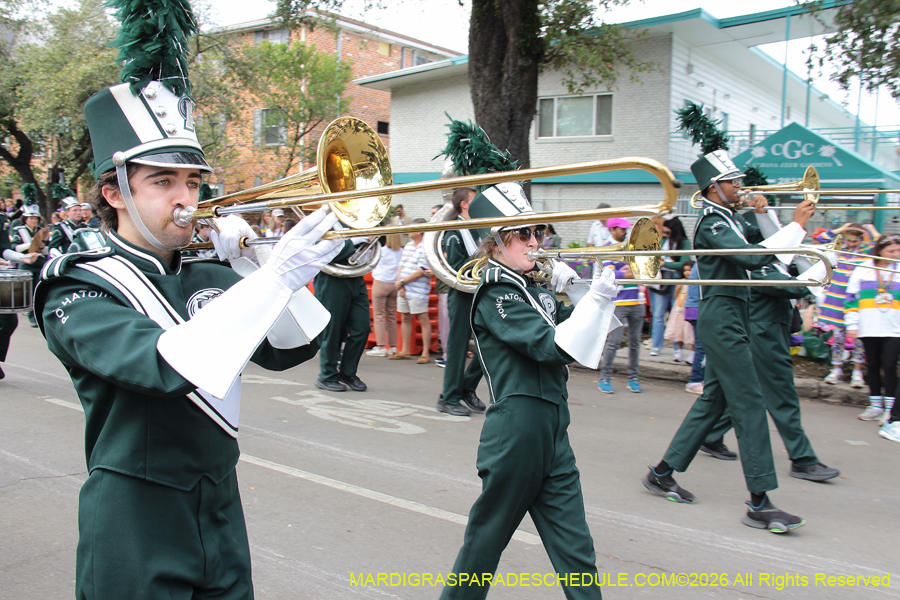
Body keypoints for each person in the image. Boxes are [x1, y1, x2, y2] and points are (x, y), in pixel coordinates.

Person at [33, 16, 344, 595]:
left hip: (220, 502)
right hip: (135, 512)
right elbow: (165, 365)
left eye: (193, 182)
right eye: (162, 182)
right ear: (114, 192)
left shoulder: (209, 272)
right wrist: (269, 279)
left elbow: (292, 348)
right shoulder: (79, 283)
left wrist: (255, 266)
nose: (186, 199)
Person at [441, 181, 619, 600]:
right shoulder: (496, 291)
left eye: (536, 232)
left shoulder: (533, 288)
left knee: (576, 550)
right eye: (523, 234)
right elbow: (551, 346)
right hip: (516, 431)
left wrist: (582, 291)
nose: (535, 242)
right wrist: (591, 301)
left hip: (554, 428)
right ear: (497, 241)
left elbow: (589, 336)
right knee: (484, 546)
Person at [642, 149, 814, 533]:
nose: (739, 187)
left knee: (713, 402)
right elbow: (752, 259)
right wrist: (797, 226)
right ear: (712, 188)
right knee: (750, 403)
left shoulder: (730, 218)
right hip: (721, 317)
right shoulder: (711, 222)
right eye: (732, 182)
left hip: (734, 316)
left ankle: (662, 472)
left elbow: (766, 245)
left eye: (737, 181)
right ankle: (760, 502)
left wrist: (766, 214)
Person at [699, 260, 840, 481]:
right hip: (765, 337)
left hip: (766, 334)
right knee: (783, 396)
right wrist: (825, 265)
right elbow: (794, 287)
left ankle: (712, 434)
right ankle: (803, 459)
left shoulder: (774, 264)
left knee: (754, 395)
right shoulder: (761, 266)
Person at [437, 188, 486, 415]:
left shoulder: (478, 227)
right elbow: (457, 268)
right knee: (457, 349)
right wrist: (484, 256)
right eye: (474, 200)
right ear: (464, 204)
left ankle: (466, 387)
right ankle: (448, 398)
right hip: (461, 294)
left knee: (490, 344)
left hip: (481, 293)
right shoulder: (454, 231)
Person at [845, 235, 900, 429]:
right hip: (869, 326)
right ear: (879, 251)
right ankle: (875, 405)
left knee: (890, 366)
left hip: (894, 327)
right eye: (891, 251)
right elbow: (851, 298)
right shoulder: (863, 269)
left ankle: (891, 409)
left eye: (898, 251)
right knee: (873, 365)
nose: (896, 254)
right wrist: (852, 324)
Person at [815, 223, 873, 388]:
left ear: (861, 239)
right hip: (838, 300)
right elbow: (821, 238)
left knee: (858, 339)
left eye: (855, 240)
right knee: (838, 337)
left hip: (857, 301)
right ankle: (836, 369)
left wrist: (870, 229)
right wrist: (842, 229)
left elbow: (881, 243)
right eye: (848, 240)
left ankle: (857, 372)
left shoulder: (867, 252)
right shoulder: (838, 250)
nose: (851, 244)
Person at [313, 232, 372, 392]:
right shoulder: (325, 224)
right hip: (331, 280)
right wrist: (350, 243)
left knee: (362, 328)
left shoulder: (358, 223)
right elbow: (318, 252)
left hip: (355, 276)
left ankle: (347, 372)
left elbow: (382, 241)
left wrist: (376, 232)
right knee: (332, 331)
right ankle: (327, 375)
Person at [597, 217, 645, 394]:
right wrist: (628, 273)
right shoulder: (607, 248)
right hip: (618, 303)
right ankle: (604, 378)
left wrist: (626, 272)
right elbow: (610, 274)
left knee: (635, 343)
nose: (625, 232)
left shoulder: (630, 247)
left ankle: (633, 377)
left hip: (637, 301)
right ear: (612, 230)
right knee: (614, 342)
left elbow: (641, 269)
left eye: (625, 229)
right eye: (622, 229)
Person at [390, 219, 433, 364]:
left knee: (423, 318)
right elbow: (401, 266)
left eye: (411, 228)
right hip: (404, 288)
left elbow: (421, 271)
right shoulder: (408, 246)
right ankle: (405, 350)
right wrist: (400, 285)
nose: (408, 230)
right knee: (405, 317)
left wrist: (401, 283)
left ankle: (425, 353)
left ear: (419, 231)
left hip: (418, 289)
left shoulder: (425, 247)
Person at [647, 217, 691, 356]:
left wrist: (665, 264)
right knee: (658, 314)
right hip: (661, 279)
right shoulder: (663, 241)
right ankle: (656, 345)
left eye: (667, 231)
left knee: (676, 313)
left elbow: (684, 263)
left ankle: (678, 348)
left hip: (676, 279)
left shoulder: (684, 243)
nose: (665, 233)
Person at [367, 232, 402, 357]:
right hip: (394, 284)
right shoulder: (401, 251)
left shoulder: (381, 251)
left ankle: (381, 346)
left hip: (381, 282)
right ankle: (393, 346)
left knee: (379, 315)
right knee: (391, 315)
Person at [664, 260, 695, 363]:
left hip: (690, 309)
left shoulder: (696, 283)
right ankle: (679, 351)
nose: (687, 273)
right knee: (678, 330)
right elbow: (675, 296)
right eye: (685, 270)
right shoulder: (681, 282)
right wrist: (678, 288)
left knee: (690, 331)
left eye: (690, 270)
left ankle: (693, 353)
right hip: (679, 309)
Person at [683, 262, 705, 395]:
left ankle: (699, 379)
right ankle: (695, 380)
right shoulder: (703, 264)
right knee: (702, 347)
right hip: (698, 308)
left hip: (695, 308)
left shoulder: (700, 264)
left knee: (702, 347)